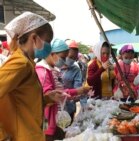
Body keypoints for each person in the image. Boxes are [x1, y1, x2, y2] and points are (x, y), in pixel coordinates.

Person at [0, 12, 66, 141]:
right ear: (34, 38)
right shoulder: (20, 63)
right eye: (48, 42)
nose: (49, 47)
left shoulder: (28, 63)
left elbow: (23, 101)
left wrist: (47, 98)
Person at [35, 39, 90, 141]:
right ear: (52, 54)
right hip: (48, 121)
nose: (64, 61)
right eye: (63, 57)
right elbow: (51, 97)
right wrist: (76, 92)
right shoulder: (43, 71)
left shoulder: (54, 70)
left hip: (57, 119)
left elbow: (60, 92)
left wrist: (79, 91)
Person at [61, 40, 83, 122]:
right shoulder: (54, 66)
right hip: (55, 108)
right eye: (70, 57)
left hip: (69, 108)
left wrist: (78, 95)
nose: (72, 60)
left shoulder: (76, 69)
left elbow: (78, 88)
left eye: (74, 58)